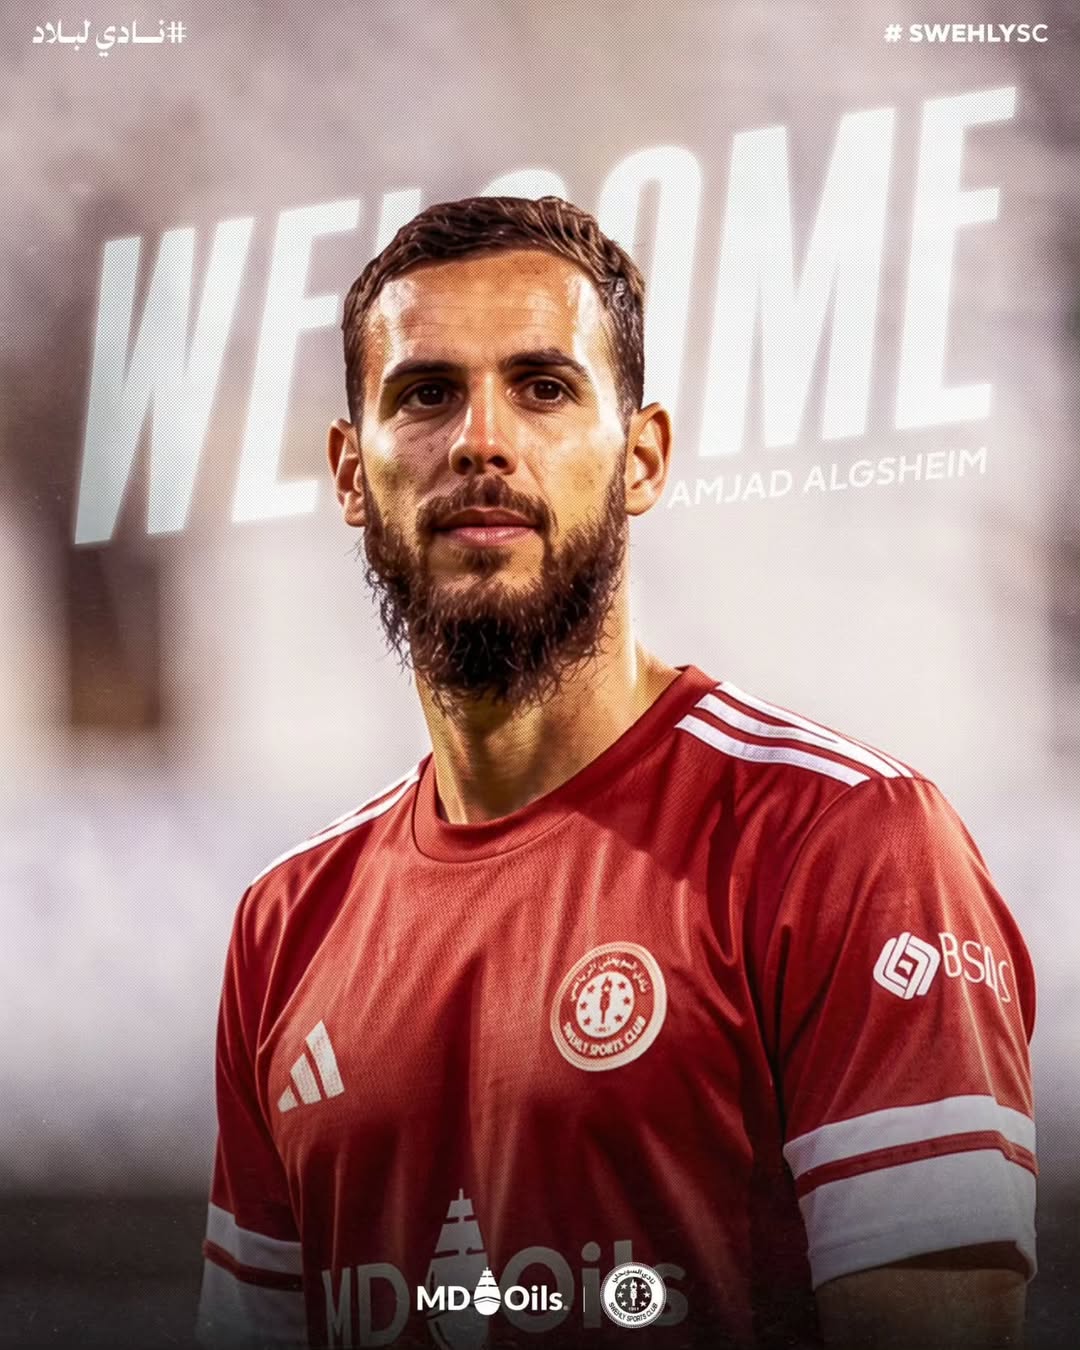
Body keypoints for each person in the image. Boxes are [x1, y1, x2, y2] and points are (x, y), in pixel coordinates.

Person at [196, 196, 1036, 1350]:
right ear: (350, 473)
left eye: (543, 387)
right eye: (427, 393)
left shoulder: (846, 844)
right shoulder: (285, 926)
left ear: (643, 457)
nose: (482, 440)